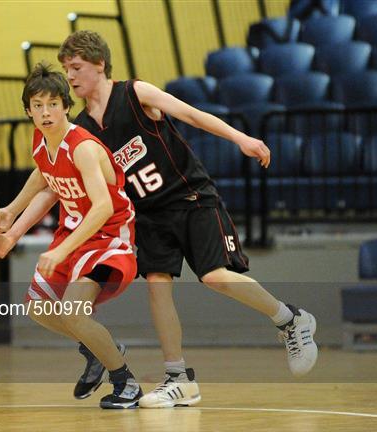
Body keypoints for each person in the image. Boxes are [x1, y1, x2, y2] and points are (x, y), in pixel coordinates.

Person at [53, 30, 319, 408]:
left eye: (76, 67)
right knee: (157, 285)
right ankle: (179, 378)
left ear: (99, 65)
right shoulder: (82, 128)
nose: (71, 77)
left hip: (190, 197)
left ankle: (290, 319)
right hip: (147, 214)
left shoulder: (135, 93)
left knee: (214, 276)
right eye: (67, 69)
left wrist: (240, 138)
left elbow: (192, 114)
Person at [0, 62, 142, 409]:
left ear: (67, 106)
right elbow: (44, 181)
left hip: (108, 236)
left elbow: (102, 208)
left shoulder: (80, 145)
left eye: (53, 104)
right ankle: (100, 348)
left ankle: (126, 382)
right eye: (38, 105)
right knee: (38, 308)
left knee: (72, 311)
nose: (46, 112)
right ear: (28, 111)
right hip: (76, 233)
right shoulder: (41, 141)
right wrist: (10, 220)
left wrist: (61, 248)